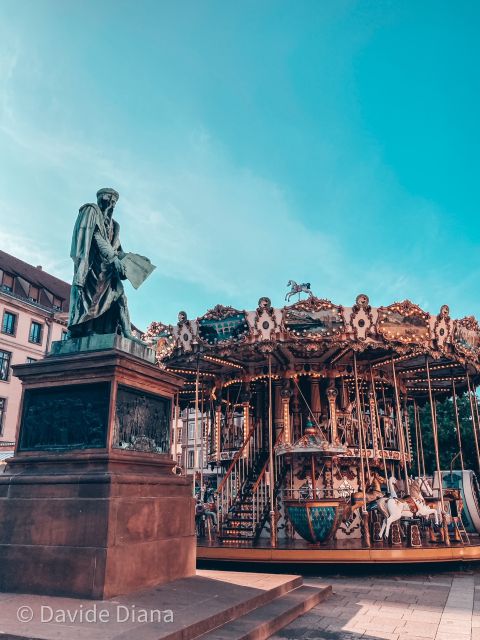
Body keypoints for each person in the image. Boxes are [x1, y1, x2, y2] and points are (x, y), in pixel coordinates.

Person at [68, 188, 135, 339]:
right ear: (100, 199)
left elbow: (116, 247)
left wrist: (134, 261)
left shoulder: (114, 225)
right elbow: (97, 237)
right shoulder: (91, 211)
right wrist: (113, 258)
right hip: (93, 268)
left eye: (114, 202)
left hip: (109, 270)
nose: (111, 204)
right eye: (108, 199)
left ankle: (127, 332)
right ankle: (88, 329)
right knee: (92, 302)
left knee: (121, 297)